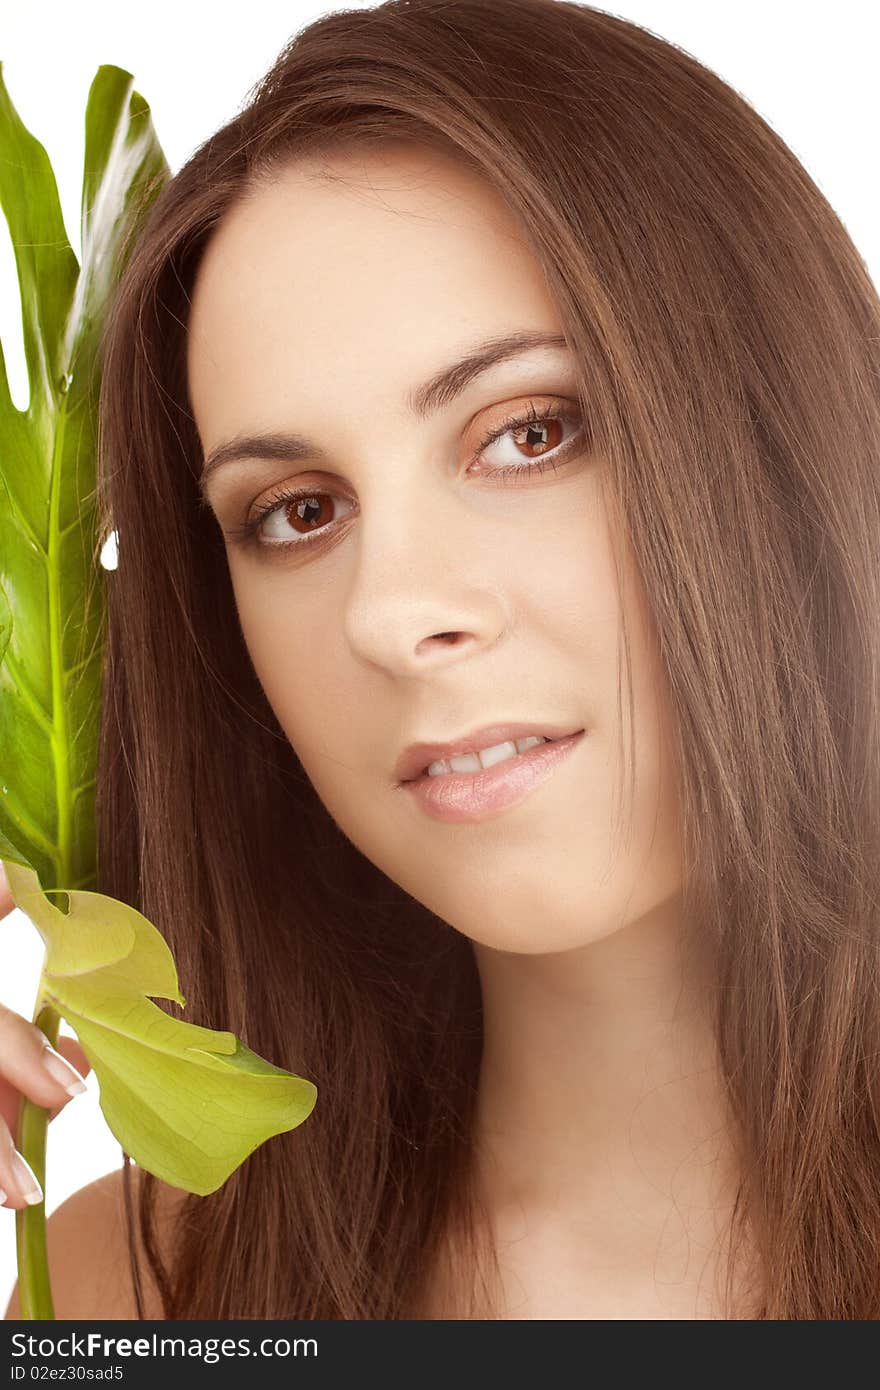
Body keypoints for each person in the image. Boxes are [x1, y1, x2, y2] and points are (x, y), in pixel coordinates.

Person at [3, 0, 880, 1319]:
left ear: (778, 431)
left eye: (529, 432)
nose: (392, 613)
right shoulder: (132, 1292)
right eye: (297, 511)